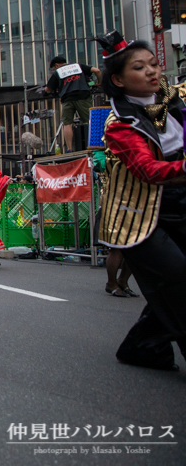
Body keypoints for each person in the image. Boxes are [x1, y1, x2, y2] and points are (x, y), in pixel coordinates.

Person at [95, 33, 186, 371]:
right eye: (139, 67)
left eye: (154, 64)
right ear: (118, 80)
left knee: (173, 284)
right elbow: (147, 170)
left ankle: (143, 346)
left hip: (179, 203)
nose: (151, 72)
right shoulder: (119, 124)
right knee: (177, 277)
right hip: (138, 215)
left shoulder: (176, 104)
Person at [45, 55, 101, 152]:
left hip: (67, 98)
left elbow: (48, 89)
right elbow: (97, 71)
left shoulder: (58, 72)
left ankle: (70, 149)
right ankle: (95, 145)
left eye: (53, 68)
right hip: (83, 96)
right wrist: (99, 83)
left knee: (67, 123)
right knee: (90, 121)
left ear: (57, 65)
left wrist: (51, 91)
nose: (54, 70)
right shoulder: (78, 66)